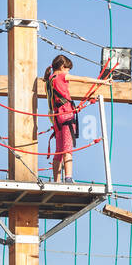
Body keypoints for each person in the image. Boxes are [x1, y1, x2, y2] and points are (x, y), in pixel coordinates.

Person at [44, 54, 81, 183]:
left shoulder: (49, 80)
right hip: (67, 115)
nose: (68, 72)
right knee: (67, 147)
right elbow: (83, 79)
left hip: (57, 117)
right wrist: (102, 82)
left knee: (59, 150)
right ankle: (68, 177)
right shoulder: (61, 75)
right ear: (62, 67)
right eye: (68, 69)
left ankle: (56, 180)